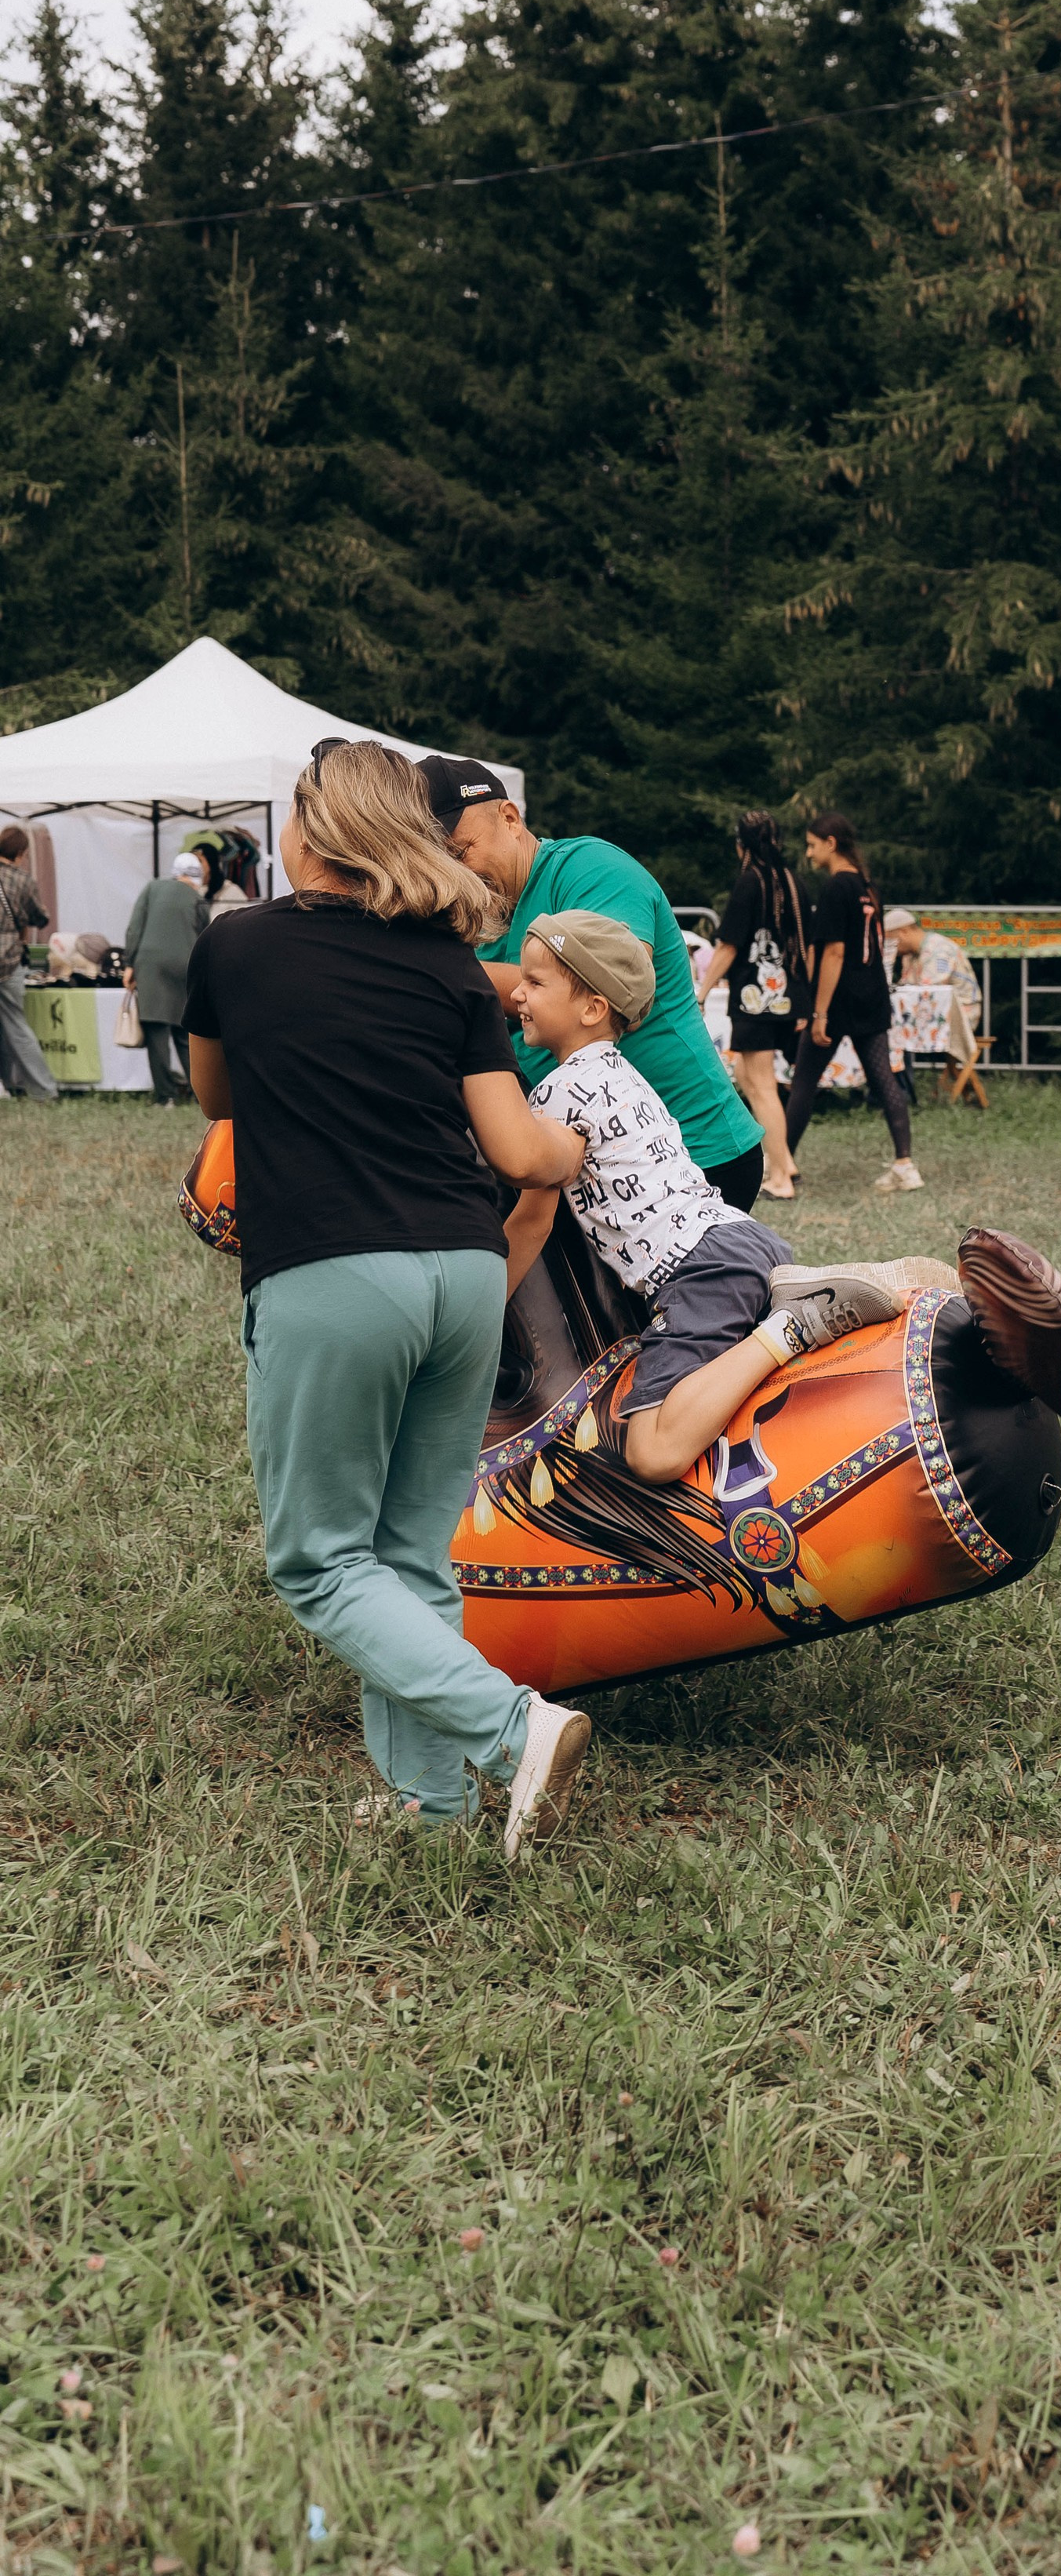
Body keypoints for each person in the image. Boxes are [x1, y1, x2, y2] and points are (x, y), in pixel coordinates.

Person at [183, 738, 594, 1859]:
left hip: (333, 1271)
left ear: (310, 828)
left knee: (320, 1561)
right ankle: (432, 1805)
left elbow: (216, 1097)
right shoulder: (450, 964)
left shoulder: (236, 945)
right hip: (464, 1272)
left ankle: (513, 1731)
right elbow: (511, 1146)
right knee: (410, 1554)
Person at [502, 910, 909, 1479]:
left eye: (535, 982)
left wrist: (482, 1308)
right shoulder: (624, 1076)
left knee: (652, 1452)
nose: (516, 993)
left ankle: (793, 1325)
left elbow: (532, 1221)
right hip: (738, 1239)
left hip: (700, 1269)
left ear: (592, 1008)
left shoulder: (560, 1091)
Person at [416, 756, 765, 1212]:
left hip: (692, 1152)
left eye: (461, 852)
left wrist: (433, 969)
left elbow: (613, 980)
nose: (456, 873)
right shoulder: (474, 917)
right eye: (439, 863)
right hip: (589, 1164)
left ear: (510, 818)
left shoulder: (590, 868)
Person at [785, 812, 922, 1193]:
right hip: (872, 995)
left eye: (812, 845)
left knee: (804, 1081)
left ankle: (783, 1166)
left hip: (839, 999)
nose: (808, 854)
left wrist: (820, 1012)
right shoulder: (867, 885)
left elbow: (834, 953)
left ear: (831, 844)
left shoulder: (836, 887)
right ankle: (905, 1164)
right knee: (884, 1077)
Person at [690, 812, 810, 1200]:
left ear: (741, 844)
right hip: (787, 997)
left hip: (754, 1000)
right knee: (747, 1075)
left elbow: (728, 945)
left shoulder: (750, 882)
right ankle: (785, 1161)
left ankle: (781, 1178)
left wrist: (703, 992)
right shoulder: (792, 881)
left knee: (760, 1085)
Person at [123, 850, 209, 1105]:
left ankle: (166, 1096)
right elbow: (205, 937)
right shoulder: (198, 900)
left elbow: (135, 928)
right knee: (186, 1034)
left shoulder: (153, 888)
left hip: (151, 966)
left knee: (157, 1031)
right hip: (186, 967)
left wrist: (130, 964)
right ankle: (201, 1095)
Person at [0, 824, 58, 1101]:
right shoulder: (23, 880)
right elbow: (40, 917)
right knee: (16, 1028)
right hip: (8, 962)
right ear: (20, 853)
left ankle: (6, 1085)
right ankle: (44, 1090)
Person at [885, 908, 982, 1068]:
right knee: (891, 1027)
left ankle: (896, 1080)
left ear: (904, 932)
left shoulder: (939, 950)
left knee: (893, 1030)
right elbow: (906, 988)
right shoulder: (911, 954)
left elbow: (928, 992)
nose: (890, 948)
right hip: (934, 1012)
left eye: (891, 941)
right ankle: (895, 1078)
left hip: (962, 1015)